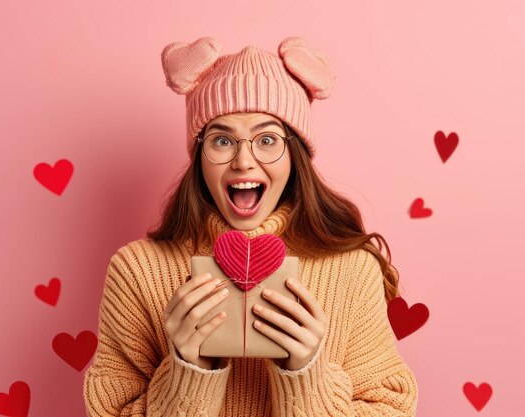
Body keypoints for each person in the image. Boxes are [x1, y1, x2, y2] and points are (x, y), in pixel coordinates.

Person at [83, 36, 418, 416]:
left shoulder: (352, 270)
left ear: (295, 156)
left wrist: (307, 375)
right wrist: (189, 371)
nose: (244, 161)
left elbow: (388, 407)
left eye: (267, 139)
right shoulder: (137, 271)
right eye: (222, 140)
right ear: (199, 157)